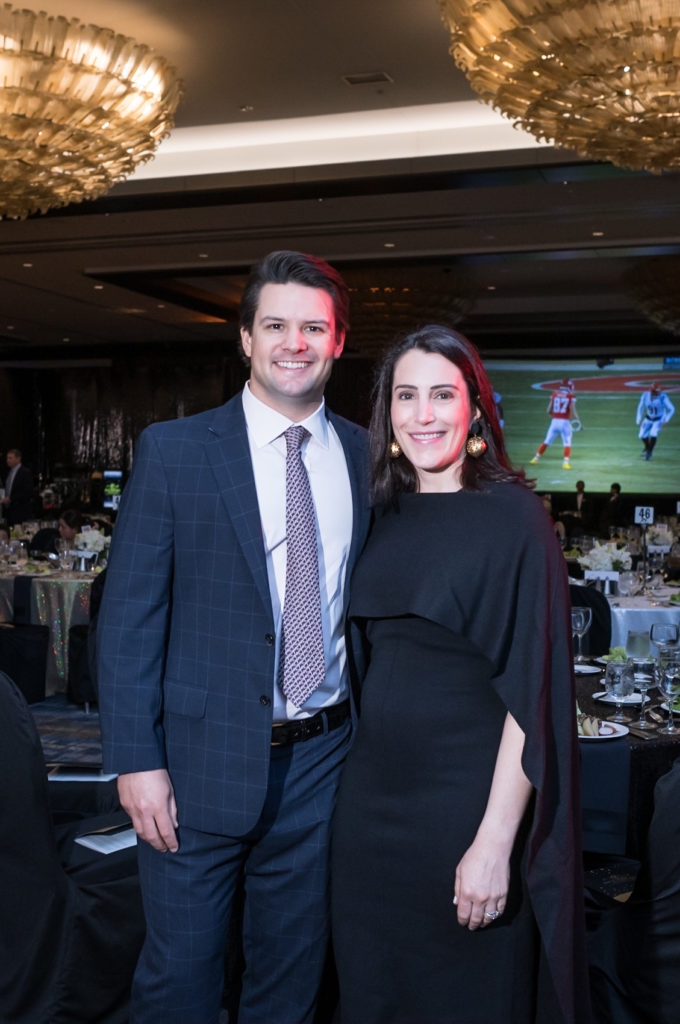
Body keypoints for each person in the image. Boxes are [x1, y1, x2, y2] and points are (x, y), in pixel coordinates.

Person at [97, 250, 370, 1024]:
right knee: (180, 981)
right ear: (245, 339)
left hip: (323, 762)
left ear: (338, 341)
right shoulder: (175, 450)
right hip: (193, 764)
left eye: (313, 327)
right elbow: (128, 621)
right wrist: (137, 761)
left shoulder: (362, 452)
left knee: (289, 982)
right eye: (276, 325)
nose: (295, 342)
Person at [331, 325, 589, 1024]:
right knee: (371, 993)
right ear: (387, 411)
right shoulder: (375, 511)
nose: (424, 415)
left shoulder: (515, 520)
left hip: (464, 809)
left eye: (442, 395)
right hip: (366, 813)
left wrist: (494, 842)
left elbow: (532, 694)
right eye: (407, 396)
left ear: (475, 408)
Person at [530, 378, 578, 469]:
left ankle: (535, 458)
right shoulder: (571, 397)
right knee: (567, 443)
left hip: (554, 422)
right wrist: (577, 421)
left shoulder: (554, 394)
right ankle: (565, 463)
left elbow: (548, 410)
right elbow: (573, 412)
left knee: (546, 441)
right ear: (569, 387)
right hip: (565, 422)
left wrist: (555, 417)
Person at [636, 382, 675, 461]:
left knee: (653, 433)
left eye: (658, 392)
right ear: (651, 391)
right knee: (641, 435)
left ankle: (649, 453)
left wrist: (666, 420)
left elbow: (672, 409)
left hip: (659, 419)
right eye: (655, 392)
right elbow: (640, 407)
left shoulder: (663, 397)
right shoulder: (645, 395)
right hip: (648, 418)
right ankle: (647, 448)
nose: (657, 394)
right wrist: (638, 419)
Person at [1, 448, 35, 525]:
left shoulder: (25, 472)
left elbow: (27, 492)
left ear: (18, 459)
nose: (8, 460)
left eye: (10, 458)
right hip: (9, 510)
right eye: (7, 458)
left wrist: (10, 498)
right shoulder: (9, 472)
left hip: (20, 511)